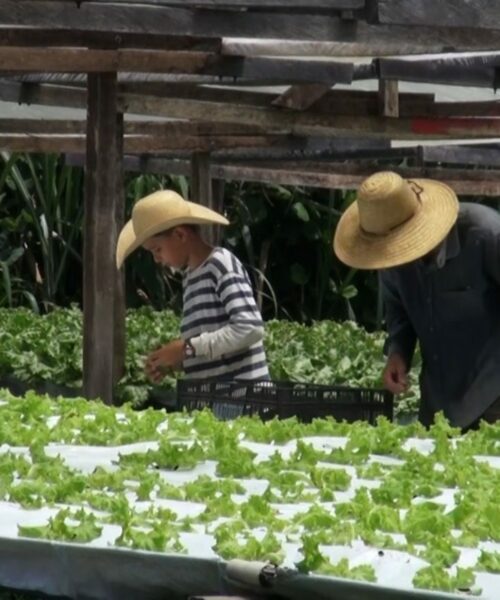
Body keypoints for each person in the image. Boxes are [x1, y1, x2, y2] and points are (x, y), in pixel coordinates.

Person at [333, 171, 500, 429]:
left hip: (493, 393)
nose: (396, 258)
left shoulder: (487, 234)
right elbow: (398, 308)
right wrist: (399, 353)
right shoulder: (389, 258)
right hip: (438, 400)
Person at [116, 189, 269, 383]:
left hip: (244, 399)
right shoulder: (190, 278)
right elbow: (211, 349)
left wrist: (186, 349)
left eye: (157, 249)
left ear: (180, 234)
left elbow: (249, 328)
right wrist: (173, 363)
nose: (156, 259)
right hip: (217, 401)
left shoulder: (220, 265)